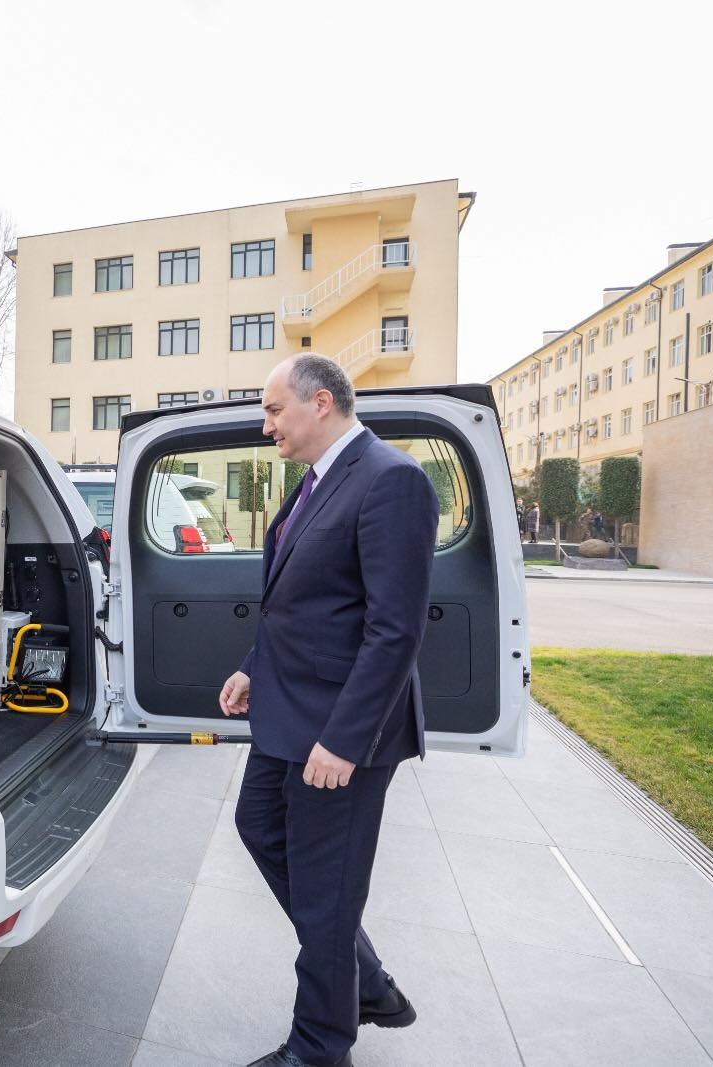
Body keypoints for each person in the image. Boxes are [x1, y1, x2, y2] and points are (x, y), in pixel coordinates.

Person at [220, 355, 437, 1067]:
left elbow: (393, 629)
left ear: (320, 402)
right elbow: (304, 600)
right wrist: (253, 667)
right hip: (288, 713)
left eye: (273, 409)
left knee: (325, 892)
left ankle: (319, 1047)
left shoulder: (390, 479)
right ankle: (366, 982)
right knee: (259, 826)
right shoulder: (313, 485)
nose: (265, 424)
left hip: (342, 733)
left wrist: (344, 741)